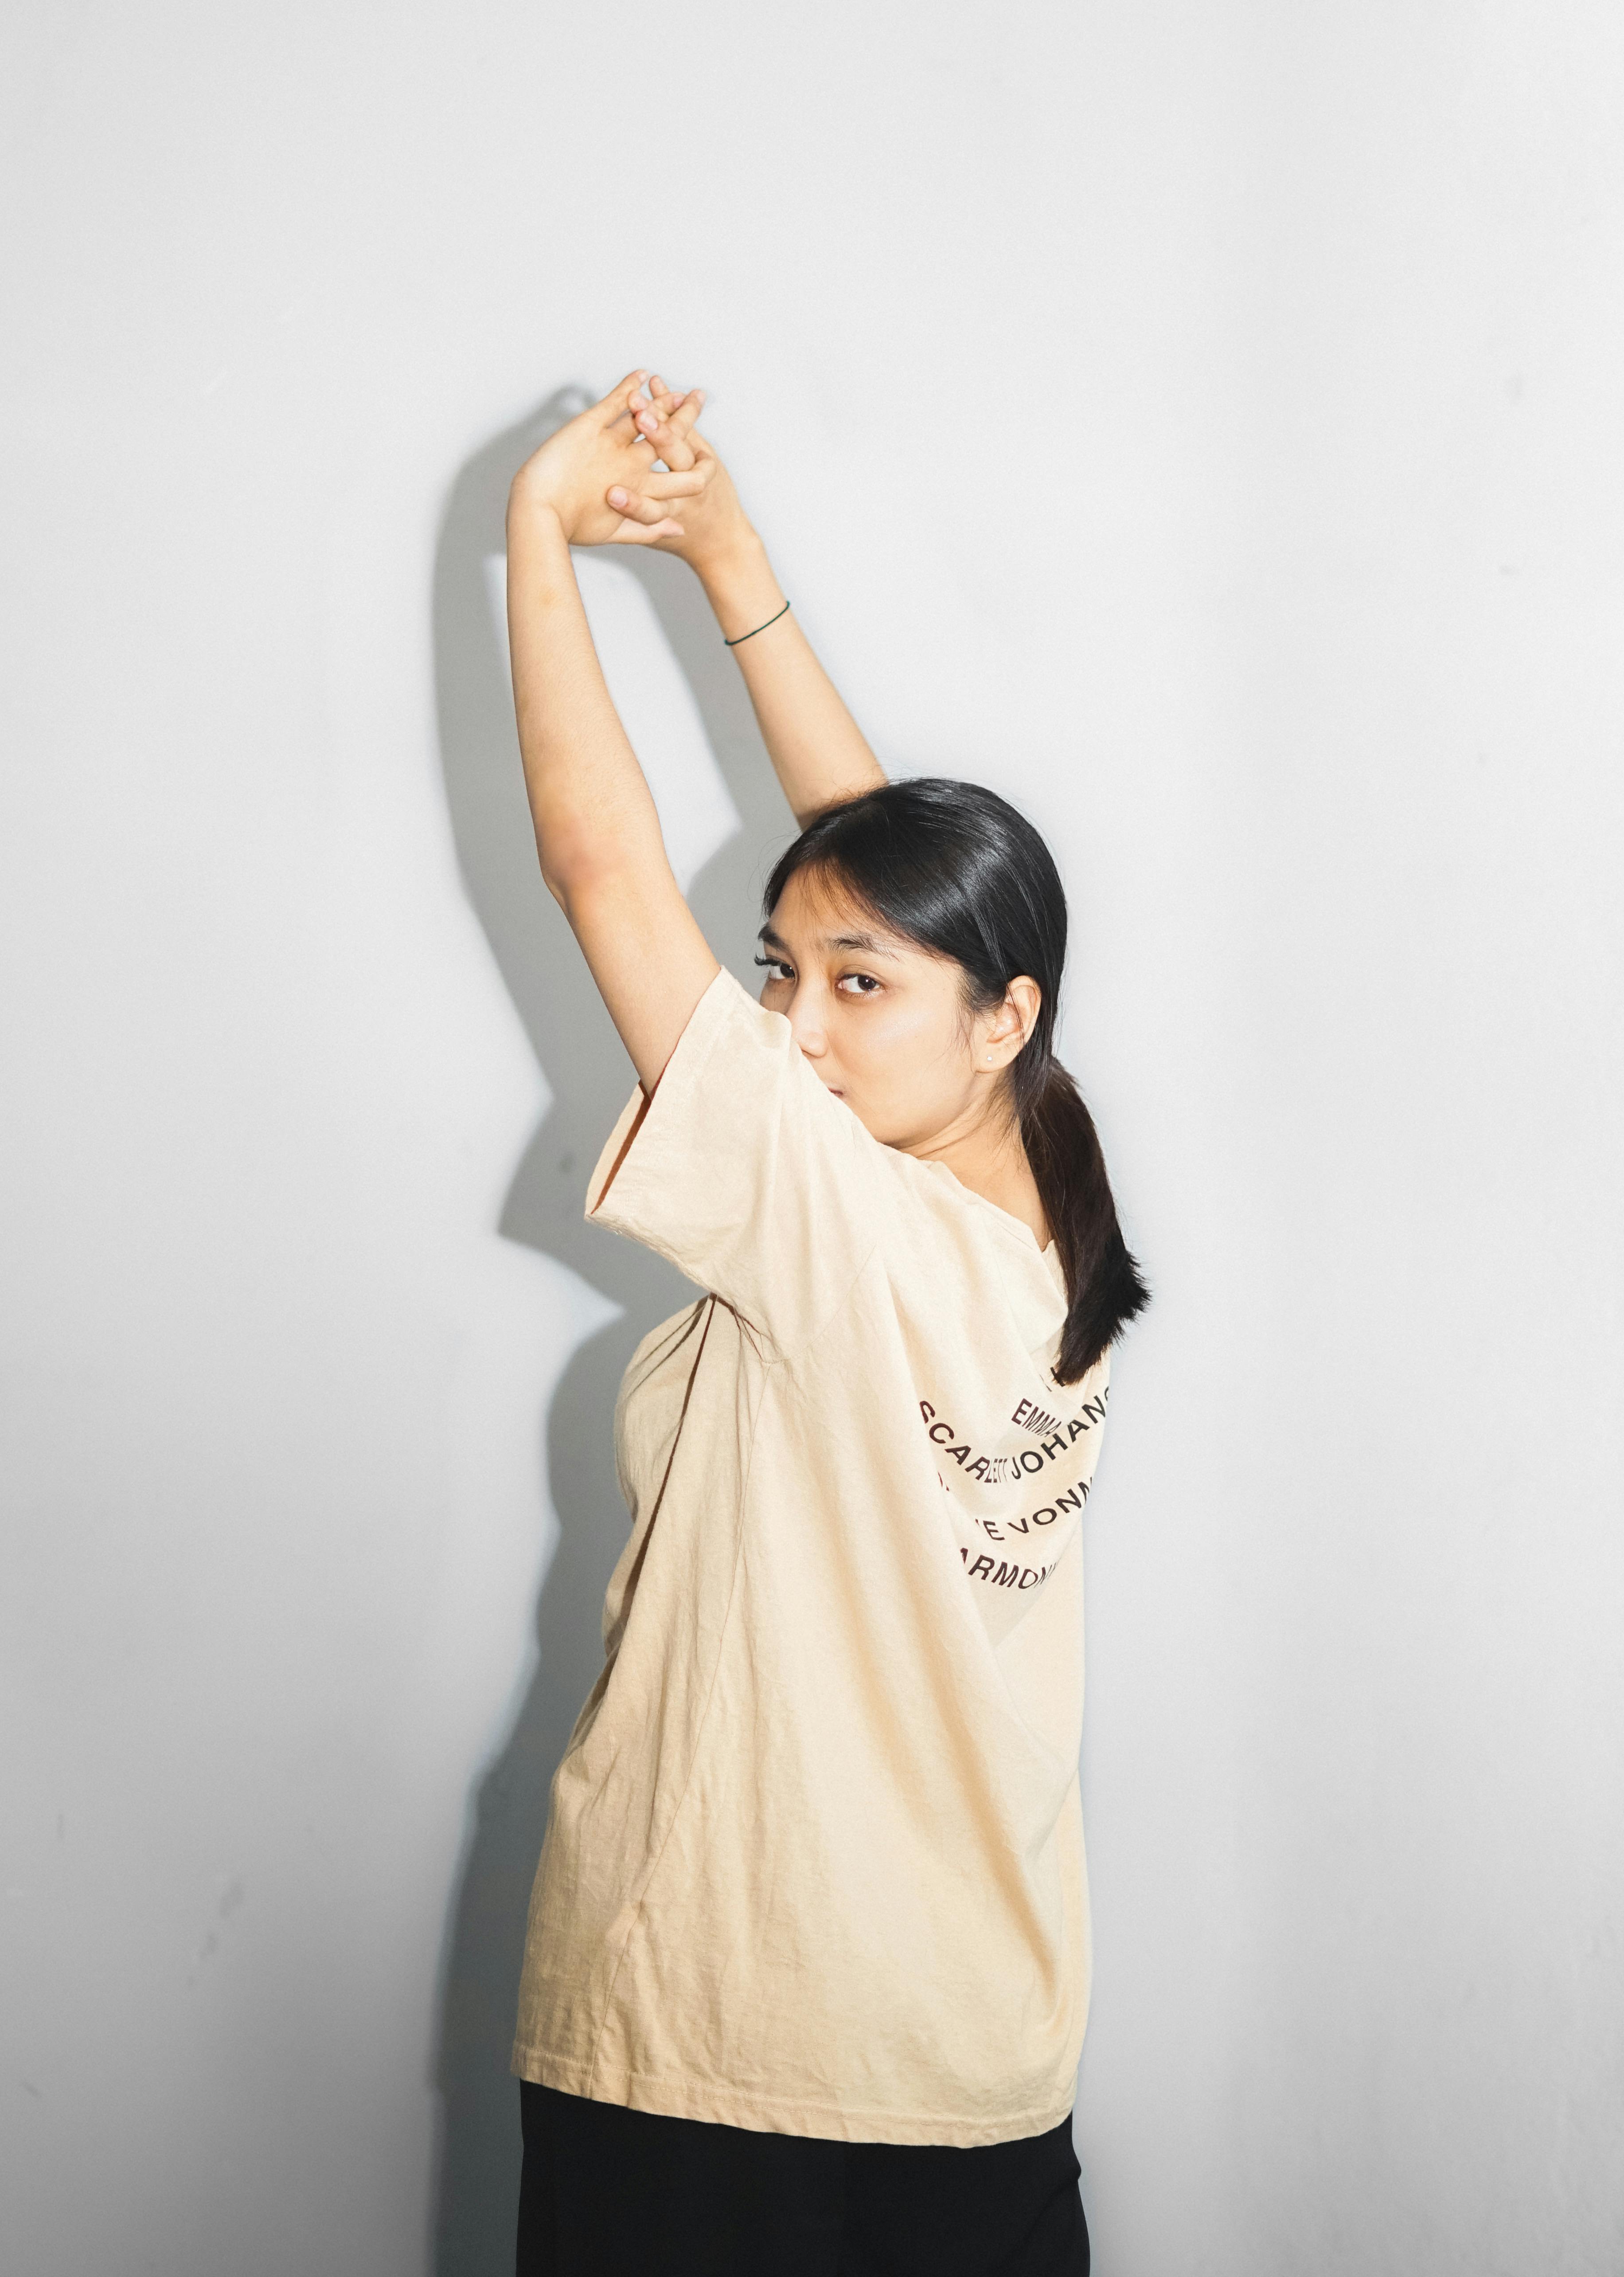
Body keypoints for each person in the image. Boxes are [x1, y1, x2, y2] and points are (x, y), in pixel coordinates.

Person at [502, 371, 1148, 2276]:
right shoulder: (1041, 1217)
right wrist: (728, 561)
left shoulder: (835, 1216)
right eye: (783, 972)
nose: (796, 1020)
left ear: (1001, 1016)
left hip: (715, 2033)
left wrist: (541, 535)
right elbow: (907, 902)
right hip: (975, 2054)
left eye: (850, 986)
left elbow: (601, 870)